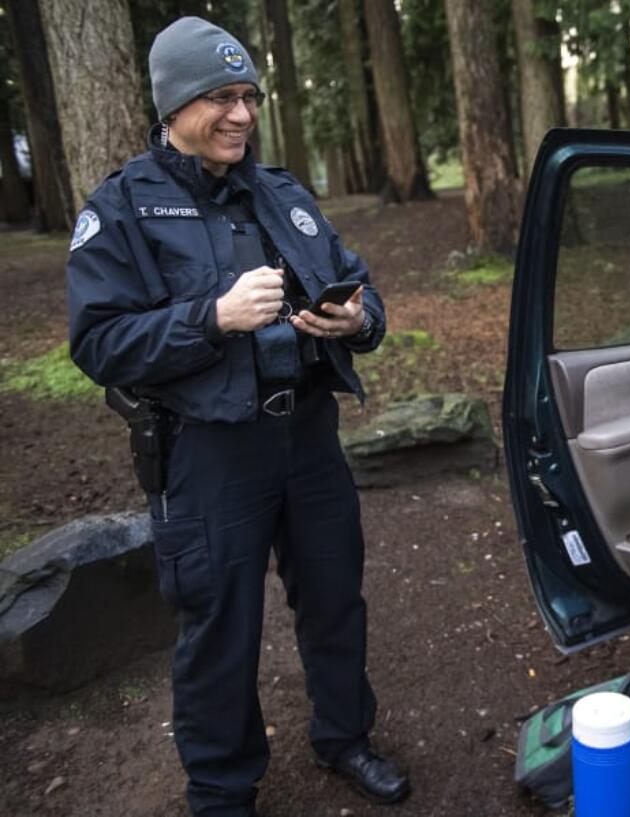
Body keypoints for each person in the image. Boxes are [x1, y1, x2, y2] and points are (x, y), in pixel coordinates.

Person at [65, 17, 408, 816]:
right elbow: (99, 341)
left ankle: (345, 736)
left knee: (334, 596)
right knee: (220, 626)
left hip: (309, 438)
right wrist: (212, 317)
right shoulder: (122, 208)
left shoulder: (282, 192)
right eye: (221, 97)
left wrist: (357, 321)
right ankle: (222, 789)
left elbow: (361, 287)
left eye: (249, 96)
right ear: (175, 106)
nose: (242, 114)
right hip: (210, 455)